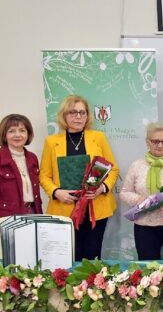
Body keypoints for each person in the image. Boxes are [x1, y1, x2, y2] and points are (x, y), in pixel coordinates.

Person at [40, 95, 119, 261]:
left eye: (82, 112)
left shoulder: (98, 137)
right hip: (65, 208)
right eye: (73, 112)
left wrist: (102, 188)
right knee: (70, 257)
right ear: (64, 115)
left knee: (92, 257)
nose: (78, 117)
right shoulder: (51, 142)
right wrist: (56, 192)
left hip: (95, 208)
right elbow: (44, 175)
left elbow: (113, 169)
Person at [120, 123, 163, 260]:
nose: (160, 145)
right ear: (147, 142)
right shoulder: (136, 165)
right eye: (155, 141)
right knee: (149, 269)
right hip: (145, 227)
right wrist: (138, 199)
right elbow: (124, 192)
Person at [0, 114, 43, 216]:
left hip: (33, 211)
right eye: (11, 131)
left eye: (22, 130)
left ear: (28, 134)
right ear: (4, 135)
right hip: (7, 216)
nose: (17, 135)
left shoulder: (32, 158)